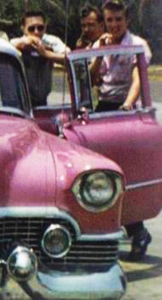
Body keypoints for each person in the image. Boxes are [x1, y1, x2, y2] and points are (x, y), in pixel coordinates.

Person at [91, 0, 152, 261]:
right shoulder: (100, 44)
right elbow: (92, 78)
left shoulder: (137, 44)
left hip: (125, 110)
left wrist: (127, 105)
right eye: (109, 21)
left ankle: (137, 230)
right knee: (97, 174)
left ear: (126, 21)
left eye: (118, 20)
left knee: (123, 175)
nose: (114, 25)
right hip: (102, 107)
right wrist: (100, 52)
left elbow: (139, 78)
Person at [11, 11, 70, 107]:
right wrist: (24, 45)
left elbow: (69, 58)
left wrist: (46, 54)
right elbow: (9, 45)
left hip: (43, 101)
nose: (36, 32)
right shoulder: (17, 43)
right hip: (20, 103)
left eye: (40, 28)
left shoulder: (51, 42)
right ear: (23, 28)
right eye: (31, 28)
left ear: (45, 27)